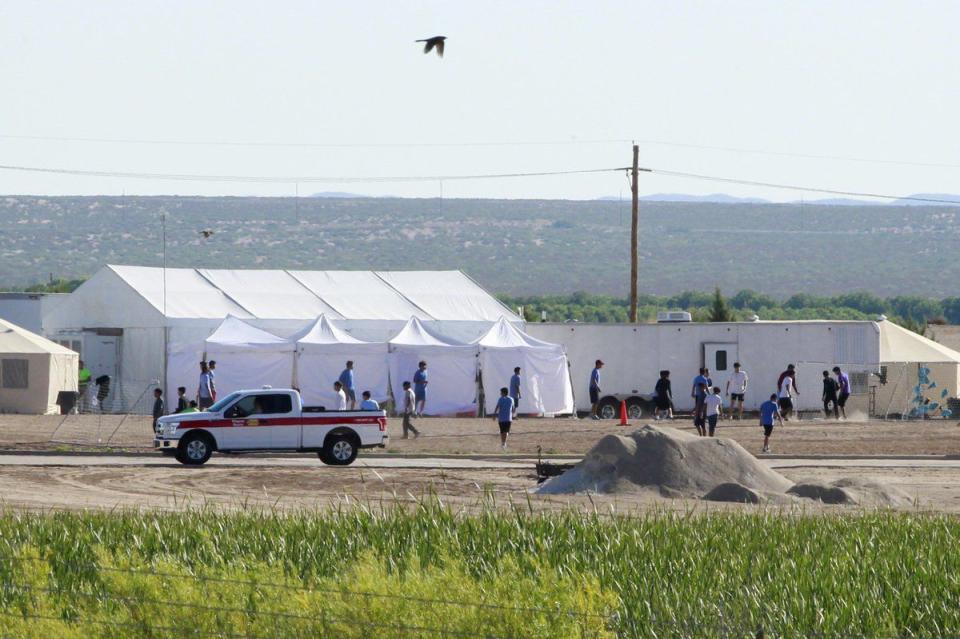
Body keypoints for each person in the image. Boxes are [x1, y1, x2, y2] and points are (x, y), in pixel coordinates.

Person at [691, 368, 710, 436]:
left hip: (697, 395)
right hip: (703, 396)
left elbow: (694, 386)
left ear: (699, 372)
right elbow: (706, 388)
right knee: (703, 409)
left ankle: (697, 417)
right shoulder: (704, 379)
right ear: (704, 372)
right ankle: (702, 417)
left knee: (698, 408)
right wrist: (710, 395)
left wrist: (692, 392)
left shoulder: (696, 378)